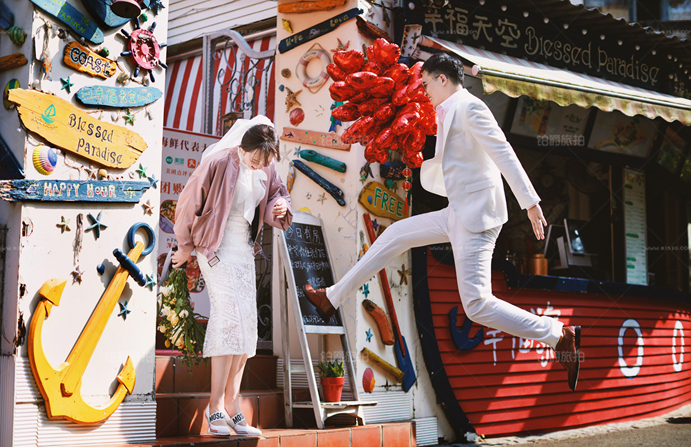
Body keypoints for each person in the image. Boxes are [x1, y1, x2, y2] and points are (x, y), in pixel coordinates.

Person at [305, 53, 581, 391]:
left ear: (442, 79)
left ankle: (557, 335)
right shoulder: (445, 111)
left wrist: (531, 202)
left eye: (425, 84)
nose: (423, 91)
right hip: (457, 212)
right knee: (395, 234)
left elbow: (503, 152)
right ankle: (331, 298)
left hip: (476, 218)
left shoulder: (471, 108)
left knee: (477, 305)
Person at [172, 119, 292, 436]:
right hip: (215, 247)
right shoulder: (218, 161)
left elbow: (279, 193)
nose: (259, 166)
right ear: (241, 148)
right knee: (227, 319)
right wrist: (184, 247)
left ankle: (233, 406)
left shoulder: (267, 165)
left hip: (243, 250)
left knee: (246, 327)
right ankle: (214, 408)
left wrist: (280, 205)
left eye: (264, 162)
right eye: (254, 160)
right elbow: (188, 204)